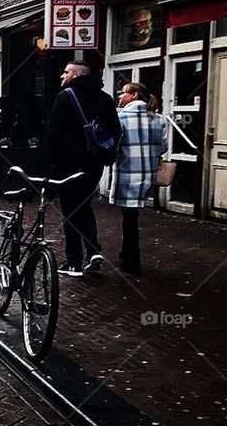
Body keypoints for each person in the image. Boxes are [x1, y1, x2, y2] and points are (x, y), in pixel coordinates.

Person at [47, 61, 122, 277]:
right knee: (84, 206)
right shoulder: (105, 98)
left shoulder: (66, 97)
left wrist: (51, 167)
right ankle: (93, 250)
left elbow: (54, 134)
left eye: (66, 71)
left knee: (70, 210)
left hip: (69, 164)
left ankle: (74, 262)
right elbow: (115, 131)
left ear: (77, 74)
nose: (62, 75)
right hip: (94, 163)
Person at [109, 83, 165, 275]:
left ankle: (130, 257)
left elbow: (113, 144)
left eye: (122, 94)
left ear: (133, 95)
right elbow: (163, 146)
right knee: (132, 216)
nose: (119, 98)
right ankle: (129, 255)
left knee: (129, 218)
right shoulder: (158, 119)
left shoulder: (120, 117)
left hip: (127, 172)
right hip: (147, 173)